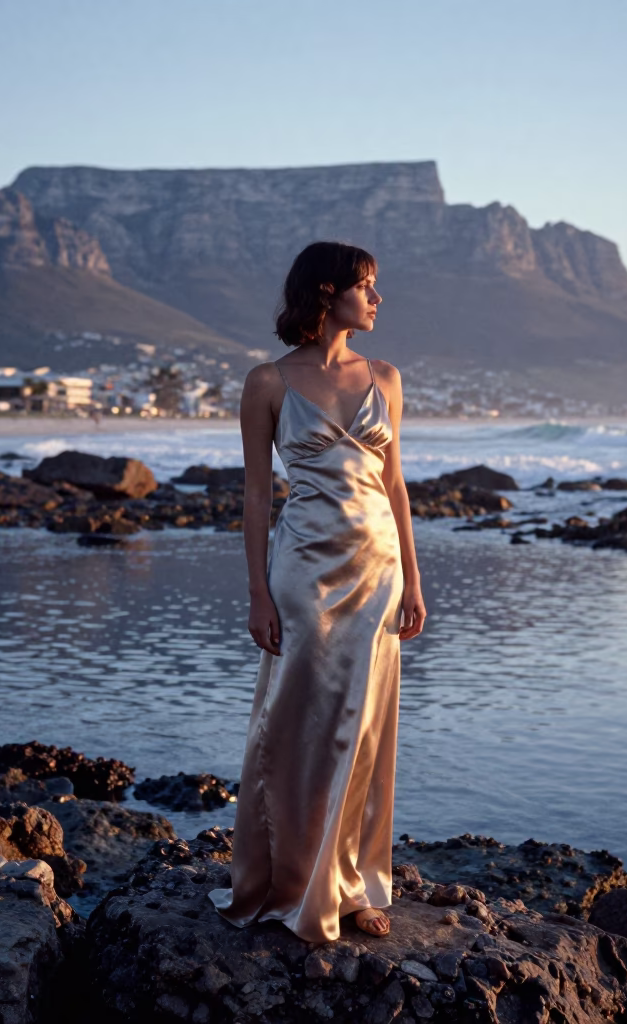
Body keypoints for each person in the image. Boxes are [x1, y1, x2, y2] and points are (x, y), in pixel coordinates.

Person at [208, 241, 427, 943]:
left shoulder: (386, 377)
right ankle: (295, 880)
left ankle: (359, 885)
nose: (378, 299)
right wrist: (257, 594)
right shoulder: (267, 381)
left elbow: (394, 486)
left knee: (363, 728)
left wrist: (415, 581)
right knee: (296, 722)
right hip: (301, 571)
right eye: (368, 286)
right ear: (328, 292)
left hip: (377, 570)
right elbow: (253, 494)